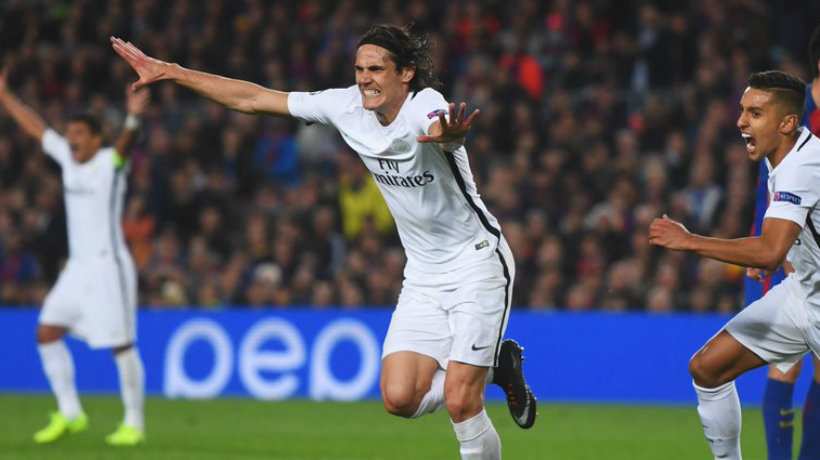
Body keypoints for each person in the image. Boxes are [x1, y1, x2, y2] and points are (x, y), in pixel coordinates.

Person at [112, 24, 536, 459]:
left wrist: (451, 135)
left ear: (406, 73)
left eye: (376, 69)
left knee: (460, 401)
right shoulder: (345, 106)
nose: (364, 78)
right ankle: (495, 367)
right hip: (424, 274)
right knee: (399, 397)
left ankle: (479, 377)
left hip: (477, 261)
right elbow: (254, 99)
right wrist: (173, 72)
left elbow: (441, 123)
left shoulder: (422, 106)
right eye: (359, 69)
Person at [650, 70, 820, 460]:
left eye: (755, 113)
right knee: (708, 369)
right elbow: (785, 239)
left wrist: (690, 241)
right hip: (804, 297)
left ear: (788, 122)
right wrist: (780, 253)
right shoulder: (784, 157)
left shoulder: (804, 166)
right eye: (743, 110)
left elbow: (769, 252)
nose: (742, 121)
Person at [0, 68, 149, 446]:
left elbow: (126, 145)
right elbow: (37, 129)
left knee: (121, 345)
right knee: (46, 331)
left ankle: (134, 422)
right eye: (71, 133)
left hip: (108, 267)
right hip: (77, 269)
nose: (72, 139)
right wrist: (5, 97)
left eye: (80, 134)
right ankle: (70, 412)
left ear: (97, 139)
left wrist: (132, 117)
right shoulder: (67, 160)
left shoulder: (110, 165)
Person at [746, 26, 820, 460]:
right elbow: (767, 188)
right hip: (787, 253)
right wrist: (776, 252)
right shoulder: (791, 111)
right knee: (785, 366)